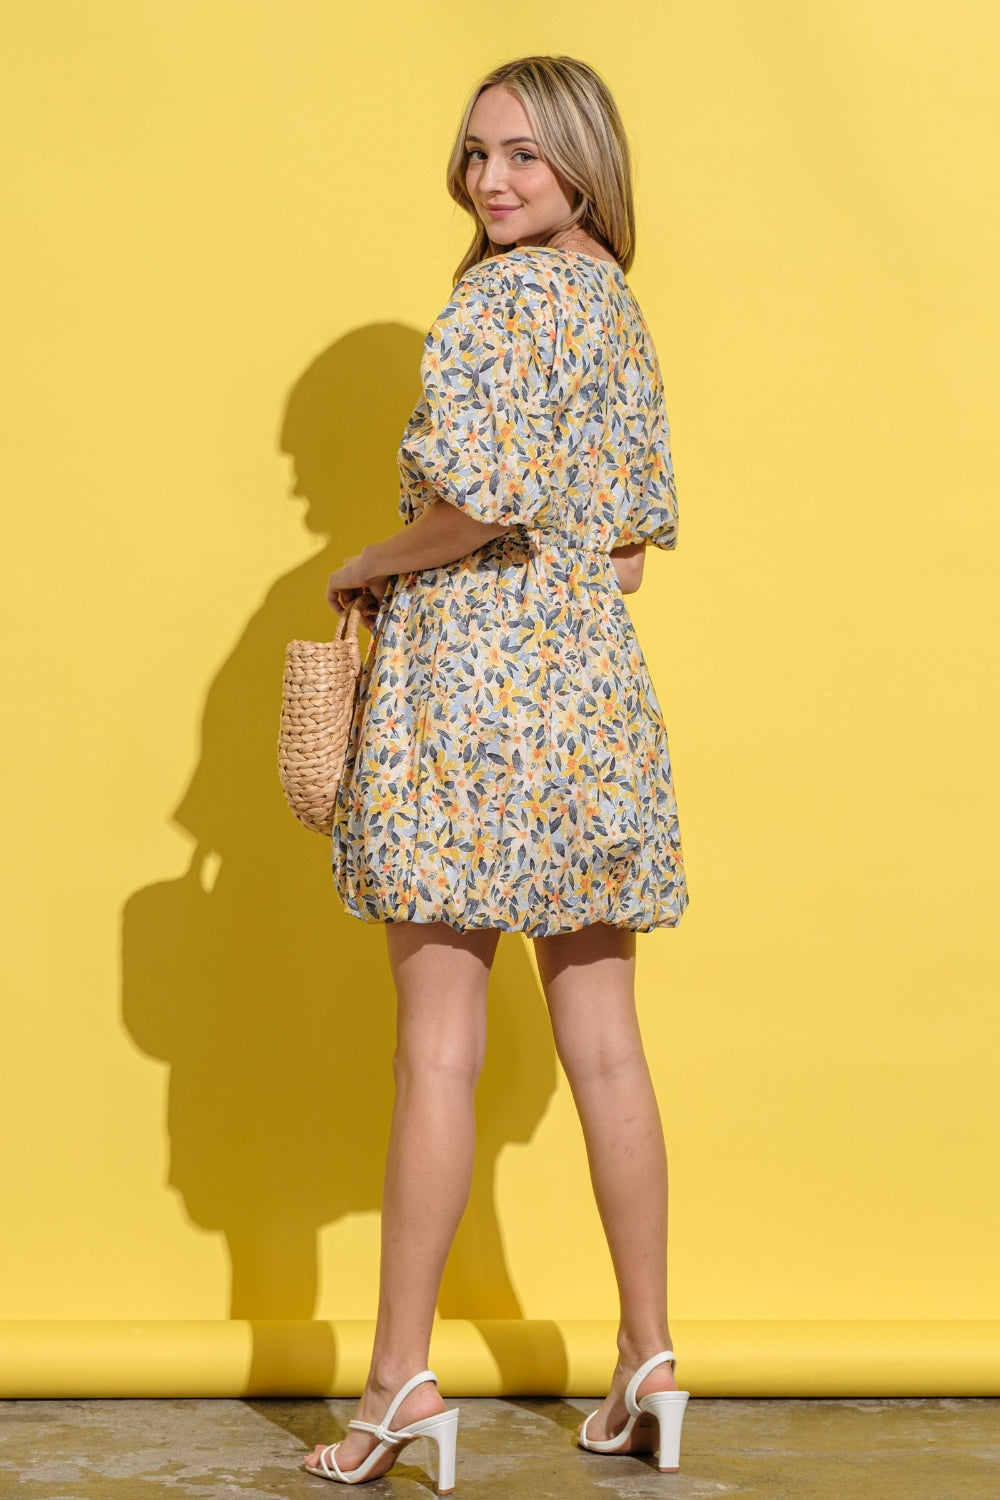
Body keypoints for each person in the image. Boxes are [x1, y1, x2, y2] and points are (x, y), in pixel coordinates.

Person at [305, 54, 690, 1490]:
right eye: (476, 157)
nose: (492, 182)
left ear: (584, 156)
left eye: (522, 154)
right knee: (606, 1049)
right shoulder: (615, 310)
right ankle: (646, 1357)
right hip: (591, 703)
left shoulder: (490, 302)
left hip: (467, 705)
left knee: (436, 1058)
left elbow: (474, 502)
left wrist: (363, 561)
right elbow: (632, 553)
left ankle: (400, 1383)